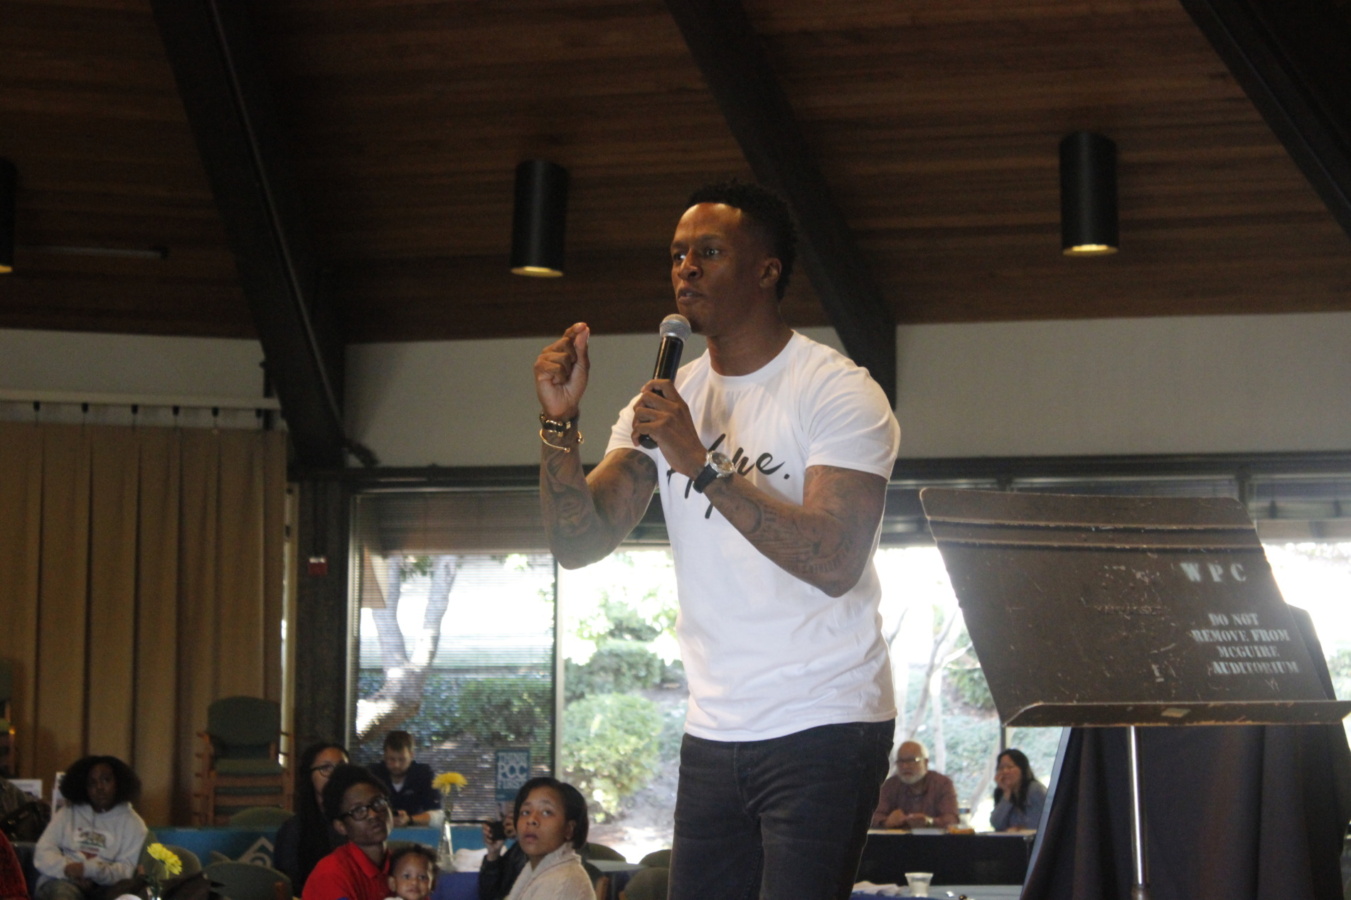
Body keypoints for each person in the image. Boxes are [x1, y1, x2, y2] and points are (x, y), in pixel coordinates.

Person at [533, 180, 900, 900]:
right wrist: (558, 425)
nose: (686, 269)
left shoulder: (835, 389)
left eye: (709, 252)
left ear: (766, 270)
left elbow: (833, 560)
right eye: (676, 255)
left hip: (825, 719)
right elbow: (580, 542)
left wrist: (699, 464)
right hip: (714, 725)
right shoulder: (664, 402)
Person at [32, 756, 147, 900]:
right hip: (63, 881)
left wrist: (89, 871)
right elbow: (43, 851)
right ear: (84, 787)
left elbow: (126, 871)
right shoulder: (68, 812)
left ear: (118, 782)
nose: (100, 787)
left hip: (108, 888)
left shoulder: (133, 823)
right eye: (92, 783)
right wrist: (68, 869)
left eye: (106, 780)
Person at [301, 764, 393, 900]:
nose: (373, 814)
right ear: (341, 826)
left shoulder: (403, 865)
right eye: (358, 810)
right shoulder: (331, 874)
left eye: (378, 802)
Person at [275, 742, 350, 894]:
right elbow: (289, 884)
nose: (336, 775)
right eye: (326, 768)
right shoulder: (294, 829)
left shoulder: (361, 822)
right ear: (309, 776)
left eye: (342, 767)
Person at [503, 777, 592, 900]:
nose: (531, 820)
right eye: (525, 812)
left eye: (546, 812)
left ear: (569, 829)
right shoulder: (538, 870)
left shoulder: (562, 882)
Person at [871, 741, 959, 829]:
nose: (905, 766)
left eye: (912, 760)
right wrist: (886, 822)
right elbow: (871, 817)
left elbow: (952, 819)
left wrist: (929, 822)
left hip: (932, 837)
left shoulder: (942, 784)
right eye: (901, 761)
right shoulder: (890, 785)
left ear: (926, 762)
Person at [368, 731, 439, 828]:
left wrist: (410, 819)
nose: (396, 765)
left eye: (402, 760)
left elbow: (438, 815)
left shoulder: (423, 774)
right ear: (384, 756)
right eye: (391, 759)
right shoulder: (373, 774)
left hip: (416, 831)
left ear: (411, 755)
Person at [989, 748, 1046, 832]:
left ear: (1022, 769)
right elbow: (996, 824)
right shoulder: (1001, 793)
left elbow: (1043, 822)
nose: (1005, 771)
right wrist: (1007, 793)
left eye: (1010, 767)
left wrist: (1018, 829)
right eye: (1001, 768)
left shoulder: (1034, 789)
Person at [478, 803, 526, 900]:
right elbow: (488, 896)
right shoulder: (515, 852)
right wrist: (493, 854)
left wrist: (526, 834)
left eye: (512, 817)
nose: (507, 823)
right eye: (503, 817)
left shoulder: (549, 852)